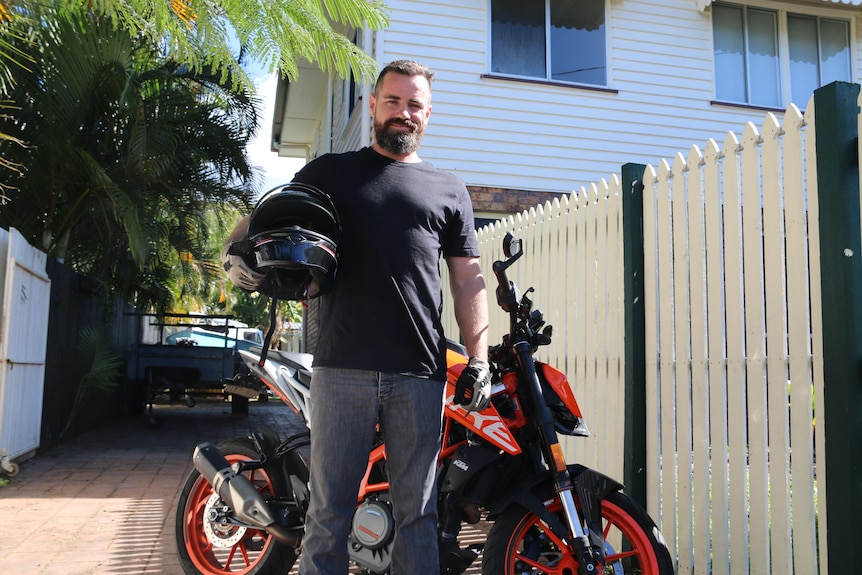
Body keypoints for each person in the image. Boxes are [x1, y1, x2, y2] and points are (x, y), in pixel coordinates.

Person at [226, 59, 492, 574]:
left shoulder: (448, 188)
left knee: (418, 514)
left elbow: (467, 279)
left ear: (428, 114)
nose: (403, 112)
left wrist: (477, 357)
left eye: (414, 104)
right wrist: (238, 249)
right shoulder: (331, 173)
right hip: (340, 368)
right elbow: (269, 213)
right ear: (373, 105)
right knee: (329, 513)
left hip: (419, 372)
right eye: (392, 101)